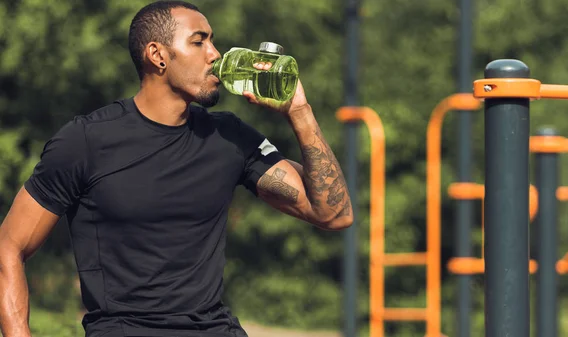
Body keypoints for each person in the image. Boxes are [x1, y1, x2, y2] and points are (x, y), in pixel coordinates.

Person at [0, 1, 353, 337]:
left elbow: (334, 215)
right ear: (157, 55)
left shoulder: (228, 137)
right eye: (199, 41)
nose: (215, 54)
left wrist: (299, 111)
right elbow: (9, 246)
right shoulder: (86, 141)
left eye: (212, 41)